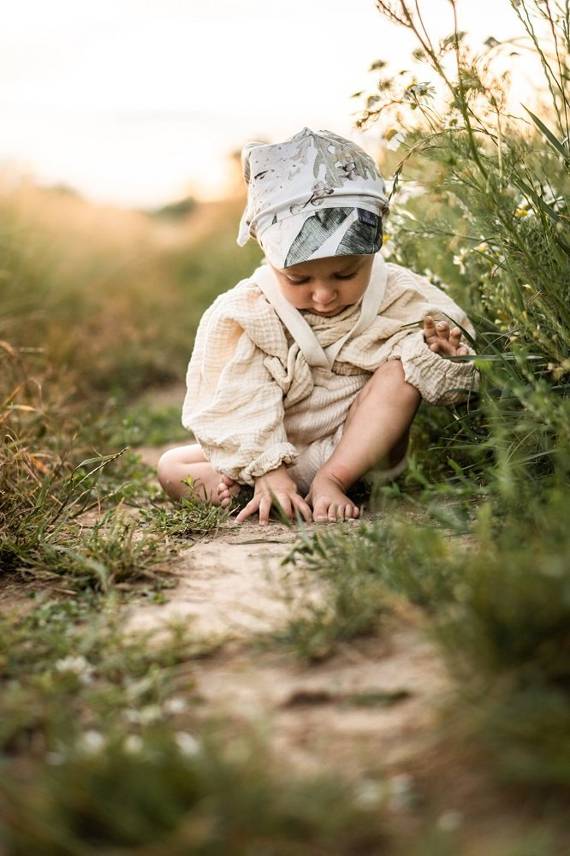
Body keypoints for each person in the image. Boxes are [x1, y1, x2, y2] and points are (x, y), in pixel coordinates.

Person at [157, 126, 479, 525]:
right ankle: (263, 486)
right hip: (273, 446)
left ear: (374, 248)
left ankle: (330, 482)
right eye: (299, 280)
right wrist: (267, 465)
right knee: (171, 466)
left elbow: (454, 375)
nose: (323, 295)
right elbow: (238, 392)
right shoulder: (253, 310)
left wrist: (440, 354)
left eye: (345, 275)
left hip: (356, 450)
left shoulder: (399, 294)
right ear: (269, 257)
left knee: (401, 371)